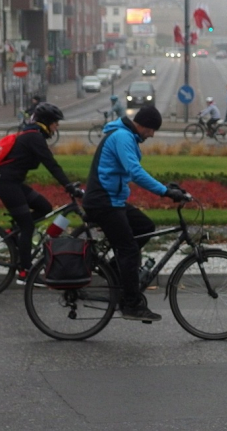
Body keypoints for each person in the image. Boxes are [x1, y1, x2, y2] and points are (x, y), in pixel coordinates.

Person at [82, 106, 188, 322]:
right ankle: (131, 305)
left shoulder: (126, 136)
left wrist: (167, 187)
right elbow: (135, 172)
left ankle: (113, 269)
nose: (152, 134)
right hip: (104, 202)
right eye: (152, 129)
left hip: (113, 200)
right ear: (143, 125)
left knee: (145, 226)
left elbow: (132, 171)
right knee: (129, 250)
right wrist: (165, 192)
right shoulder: (123, 137)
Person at [0, 103, 82, 284]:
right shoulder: (34, 138)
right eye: (55, 123)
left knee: (44, 207)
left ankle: (15, 233)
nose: (57, 127)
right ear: (46, 122)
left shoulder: (33, 134)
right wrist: (68, 185)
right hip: (6, 184)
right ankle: (25, 273)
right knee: (27, 226)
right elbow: (51, 165)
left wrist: (68, 184)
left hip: (13, 183)